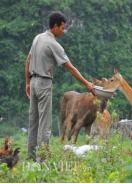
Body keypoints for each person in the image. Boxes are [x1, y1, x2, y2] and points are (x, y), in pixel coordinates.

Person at [24, 11, 95, 161]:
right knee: (44, 123)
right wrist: (87, 83)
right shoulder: (53, 44)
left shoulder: (38, 38)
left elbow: (28, 61)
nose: (64, 31)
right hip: (43, 83)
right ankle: (42, 160)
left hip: (34, 81)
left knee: (33, 122)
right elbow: (70, 68)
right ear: (55, 26)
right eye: (62, 28)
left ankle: (31, 159)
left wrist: (28, 82)